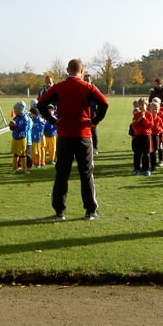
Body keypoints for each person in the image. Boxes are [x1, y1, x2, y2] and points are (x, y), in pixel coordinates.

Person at [37, 58, 109, 220]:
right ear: (81, 71)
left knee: (62, 173)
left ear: (67, 70)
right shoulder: (88, 87)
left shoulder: (58, 87)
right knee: (86, 173)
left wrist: (53, 120)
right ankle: (90, 211)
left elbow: (41, 104)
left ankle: (59, 211)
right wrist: (94, 121)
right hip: (83, 134)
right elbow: (104, 104)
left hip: (64, 135)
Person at [131, 99, 153, 176]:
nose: (141, 106)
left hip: (146, 136)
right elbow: (133, 125)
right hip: (138, 136)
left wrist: (144, 119)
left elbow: (150, 125)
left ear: (146, 105)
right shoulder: (136, 115)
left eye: (143, 105)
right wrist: (139, 120)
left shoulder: (149, 114)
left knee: (146, 153)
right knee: (137, 153)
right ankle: (137, 169)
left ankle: (146, 169)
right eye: (140, 105)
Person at [82, 73, 100, 154]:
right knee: (83, 130)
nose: (86, 81)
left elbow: (100, 102)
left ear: (91, 80)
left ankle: (95, 147)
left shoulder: (94, 89)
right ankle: (85, 147)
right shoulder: (81, 88)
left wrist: (96, 112)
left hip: (92, 113)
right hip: (83, 113)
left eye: (87, 80)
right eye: (85, 80)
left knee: (93, 130)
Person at [9, 101, 30, 173]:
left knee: (23, 154)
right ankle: (14, 168)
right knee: (15, 154)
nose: (14, 112)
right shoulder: (15, 118)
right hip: (15, 138)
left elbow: (24, 129)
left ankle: (25, 169)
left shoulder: (25, 118)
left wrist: (15, 125)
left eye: (15, 110)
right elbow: (12, 129)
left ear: (19, 110)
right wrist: (11, 125)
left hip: (22, 139)